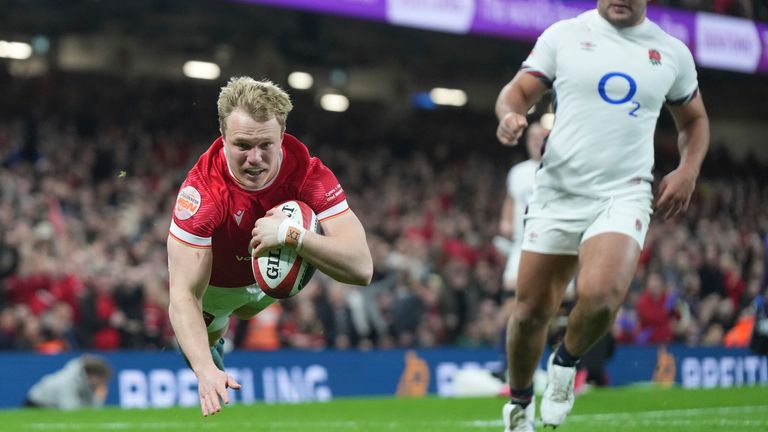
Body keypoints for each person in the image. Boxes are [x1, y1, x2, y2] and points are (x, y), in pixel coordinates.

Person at [494, 1, 709, 430]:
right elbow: (516, 92)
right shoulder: (564, 35)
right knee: (531, 312)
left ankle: (565, 364)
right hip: (557, 191)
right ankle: (518, 403)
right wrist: (510, 115)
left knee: (604, 295)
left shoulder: (671, 52)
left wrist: (688, 170)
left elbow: (695, 120)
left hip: (623, 192)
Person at [168, 77, 373, 417]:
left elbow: (362, 268)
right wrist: (205, 372)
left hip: (276, 273)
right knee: (202, 336)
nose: (254, 158)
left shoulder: (309, 173)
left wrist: (294, 235)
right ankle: (212, 340)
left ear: (282, 135)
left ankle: (215, 333)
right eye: (242, 145)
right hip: (218, 285)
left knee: (250, 308)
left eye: (265, 145)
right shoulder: (202, 192)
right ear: (222, 138)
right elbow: (182, 294)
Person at [24, 354, 112, 409]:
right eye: (101, 380)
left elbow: (92, 409)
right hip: (37, 404)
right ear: (92, 376)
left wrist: (97, 396)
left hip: (53, 406)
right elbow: (70, 410)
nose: (102, 384)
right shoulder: (67, 381)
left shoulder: (90, 385)